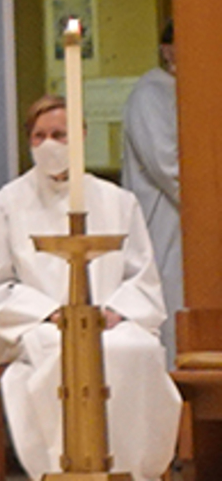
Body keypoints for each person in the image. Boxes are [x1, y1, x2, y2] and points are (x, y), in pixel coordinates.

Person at [0, 91, 182, 480]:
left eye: (60, 134)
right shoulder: (3, 206)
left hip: (109, 323)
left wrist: (115, 311)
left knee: (136, 351)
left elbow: (141, 276)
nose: (49, 144)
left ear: (81, 136)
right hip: (40, 326)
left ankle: (133, 469)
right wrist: (51, 313)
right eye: (39, 136)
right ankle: (63, 468)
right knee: (64, 355)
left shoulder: (118, 201)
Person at [125, 21, 183, 354]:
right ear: (166, 50)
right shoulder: (150, 94)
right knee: (173, 324)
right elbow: (168, 166)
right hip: (168, 226)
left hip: (191, 230)